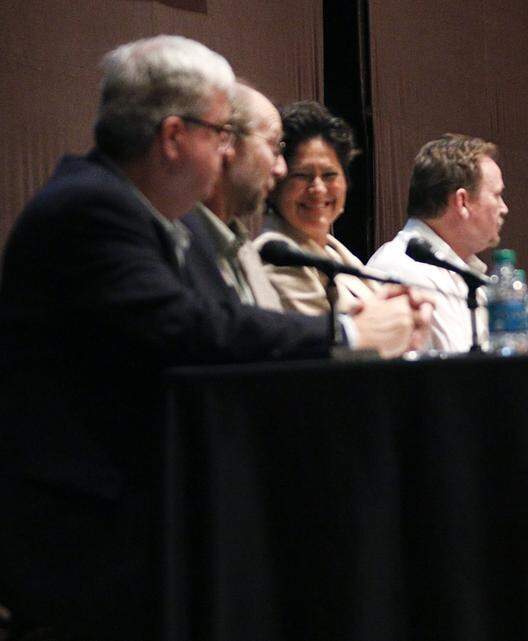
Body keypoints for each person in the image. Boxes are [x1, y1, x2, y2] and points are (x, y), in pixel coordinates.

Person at [0, 36, 424, 640]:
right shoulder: (92, 209)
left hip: (139, 520)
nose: (229, 151)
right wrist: (348, 330)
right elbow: (186, 330)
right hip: (96, 540)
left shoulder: (134, 210)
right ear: (174, 138)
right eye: (222, 133)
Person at [367, 134, 508, 352]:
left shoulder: (464, 274)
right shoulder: (403, 270)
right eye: (497, 195)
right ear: (462, 201)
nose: (504, 208)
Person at [253, 101, 387, 315]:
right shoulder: (277, 256)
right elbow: (330, 343)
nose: (318, 188)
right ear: (276, 183)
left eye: (329, 175)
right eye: (302, 176)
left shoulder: (335, 252)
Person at [185, 82, 287, 309]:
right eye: (274, 147)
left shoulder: (242, 246)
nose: (281, 169)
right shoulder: (175, 242)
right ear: (226, 140)